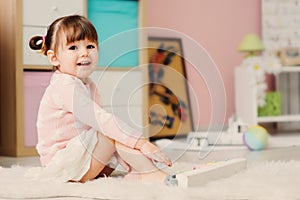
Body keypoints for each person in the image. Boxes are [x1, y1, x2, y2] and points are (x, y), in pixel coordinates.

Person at [28, 15, 172, 183]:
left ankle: (139, 170)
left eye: (90, 46)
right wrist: (141, 143)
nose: (84, 53)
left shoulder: (86, 83)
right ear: (54, 58)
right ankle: (148, 173)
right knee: (108, 130)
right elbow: (101, 121)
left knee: (112, 130)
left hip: (82, 158)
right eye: (73, 48)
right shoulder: (65, 86)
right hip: (64, 166)